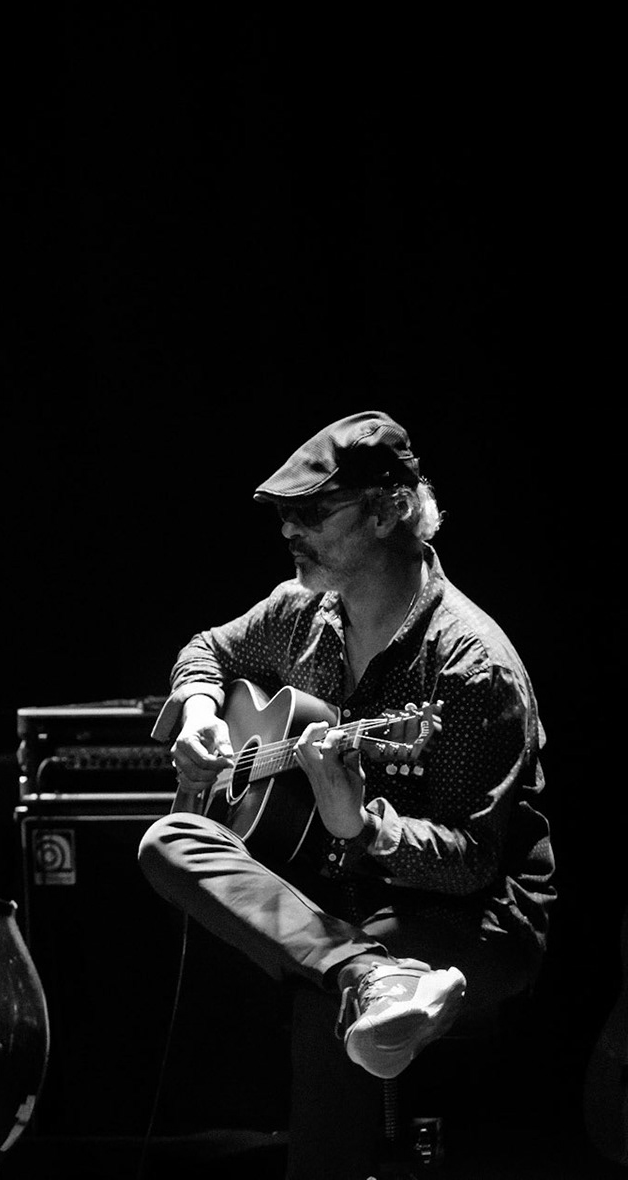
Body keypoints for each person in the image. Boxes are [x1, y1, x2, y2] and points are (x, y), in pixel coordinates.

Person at [136, 411, 554, 1180]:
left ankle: (358, 981)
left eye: (312, 514)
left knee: (326, 997)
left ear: (389, 509)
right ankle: (365, 972)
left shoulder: (469, 667)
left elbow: (472, 863)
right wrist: (199, 709)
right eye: (284, 516)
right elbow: (210, 648)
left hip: (479, 918)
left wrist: (360, 826)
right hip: (346, 896)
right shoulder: (303, 612)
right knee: (169, 841)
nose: (290, 532)